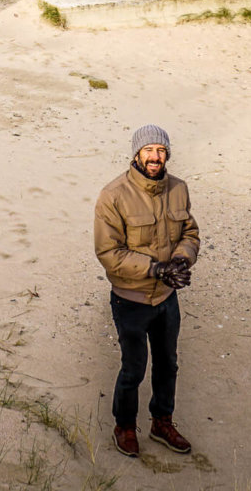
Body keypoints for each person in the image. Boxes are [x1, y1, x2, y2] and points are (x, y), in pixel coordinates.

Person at [93, 123, 200, 458]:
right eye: (149, 150)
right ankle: (124, 426)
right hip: (131, 300)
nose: (155, 157)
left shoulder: (179, 189)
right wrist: (155, 269)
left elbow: (190, 233)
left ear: (167, 154)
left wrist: (182, 261)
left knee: (168, 363)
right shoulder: (113, 195)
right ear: (137, 154)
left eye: (161, 151)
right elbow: (108, 254)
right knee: (134, 367)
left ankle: (161, 421)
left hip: (168, 298)